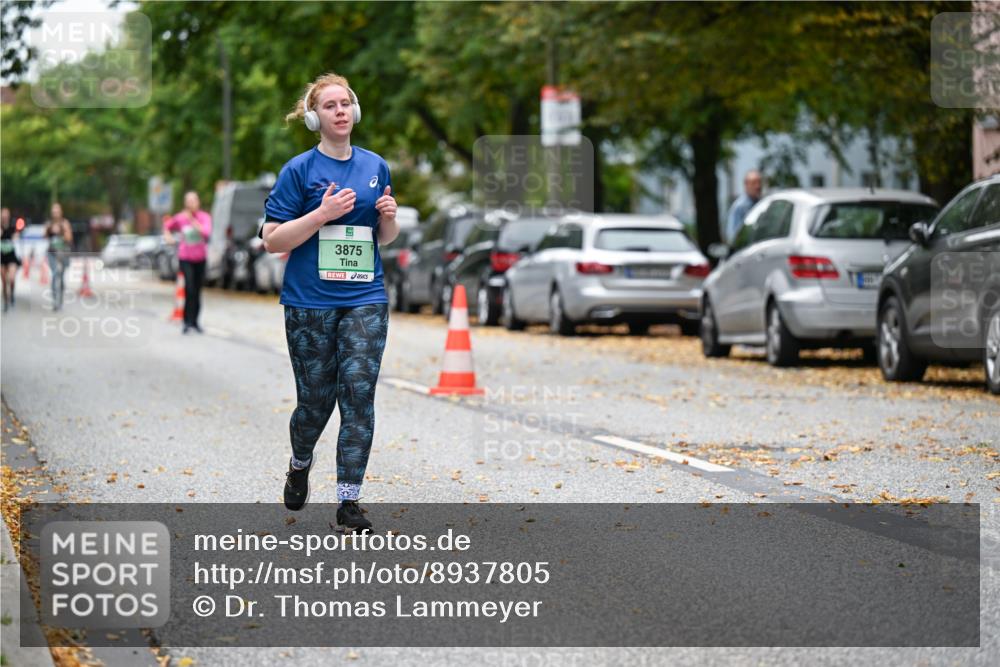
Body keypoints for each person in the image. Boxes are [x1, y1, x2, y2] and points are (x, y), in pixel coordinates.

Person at [260, 72, 399, 532]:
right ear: (314, 118)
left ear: (354, 112)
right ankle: (300, 463)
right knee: (315, 403)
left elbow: (384, 239)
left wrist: (389, 219)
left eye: (345, 104)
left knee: (358, 395)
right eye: (330, 106)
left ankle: (348, 502)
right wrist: (321, 214)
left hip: (365, 296)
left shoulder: (376, 165)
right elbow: (273, 241)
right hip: (309, 302)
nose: (340, 111)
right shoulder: (298, 170)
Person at [164, 191, 211, 333]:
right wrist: (168, 237)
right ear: (185, 203)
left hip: (200, 258)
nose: (191, 204)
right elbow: (167, 226)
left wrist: (192, 221)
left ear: (198, 202)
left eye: (194, 201)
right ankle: (186, 322)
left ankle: (195, 322)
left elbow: (206, 233)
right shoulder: (180, 218)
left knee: (197, 290)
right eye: (189, 201)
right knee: (189, 288)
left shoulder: (204, 217)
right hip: (185, 258)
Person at [45, 203, 73, 311]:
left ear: (61, 212)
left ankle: (60, 298)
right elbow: (45, 236)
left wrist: (62, 231)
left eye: (57, 211)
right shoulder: (49, 224)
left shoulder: (65, 223)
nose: (55, 214)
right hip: (52, 253)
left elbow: (69, 238)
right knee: (55, 273)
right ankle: (54, 300)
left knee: (61, 276)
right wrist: (50, 230)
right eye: (53, 212)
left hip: (63, 253)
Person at [725, 169, 763, 245]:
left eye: (759, 182)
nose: (757, 186)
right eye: (754, 183)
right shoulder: (740, 207)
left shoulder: (762, 204)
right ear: (746, 185)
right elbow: (732, 236)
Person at [1, 208, 21, 312]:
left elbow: (18, 235)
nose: (4, 216)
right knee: (4, 280)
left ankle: (12, 293)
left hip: (11, 256)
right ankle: (5, 301)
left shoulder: (13, 227)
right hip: (2, 257)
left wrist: (16, 236)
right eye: (2, 214)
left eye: (6, 214)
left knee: (12, 278)